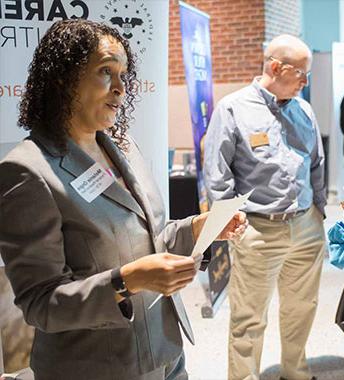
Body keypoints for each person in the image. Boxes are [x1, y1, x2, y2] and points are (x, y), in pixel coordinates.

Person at [0, 20, 247, 380]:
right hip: (96, 367)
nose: (120, 88)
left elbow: (149, 239)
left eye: (123, 75)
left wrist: (198, 229)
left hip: (165, 350)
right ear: (62, 77)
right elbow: (41, 305)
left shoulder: (123, 148)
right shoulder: (27, 170)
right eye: (105, 72)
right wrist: (125, 281)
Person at [203, 34, 326, 380]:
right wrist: (232, 223)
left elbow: (316, 163)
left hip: (306, 226)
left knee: (302, 308)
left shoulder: (304, 110)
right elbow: (217, 173)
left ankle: (295, 372)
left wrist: (318, 210)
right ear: (275, 67)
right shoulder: (232, 108)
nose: (305, 81)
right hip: (257, 228)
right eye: (301, 73)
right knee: (249, 316)